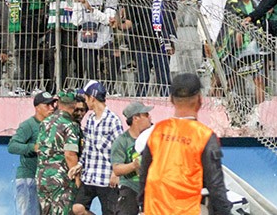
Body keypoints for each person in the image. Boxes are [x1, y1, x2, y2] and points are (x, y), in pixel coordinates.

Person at [138, 73, 231, 214]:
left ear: (171, 100)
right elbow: (215, 185)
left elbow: (144, 175)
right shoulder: (204, 136)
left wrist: (143, 206)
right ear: (200, 99)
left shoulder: (157, 131)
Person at [71, 81, 123, 215]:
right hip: (90, 176)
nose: (85, 101)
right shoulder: (90, 120)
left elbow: (121, 149)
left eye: (86, 98)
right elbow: (87, 147)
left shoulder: (113, 120)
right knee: (77, 208)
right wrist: (80, 165)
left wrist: (116, 173)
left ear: (92, 98)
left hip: (107, 179)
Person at [9, 91, 57, 215]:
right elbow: (12, 146)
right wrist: (32, 147)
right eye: (47, 105)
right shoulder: (28, 125)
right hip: (29, 178)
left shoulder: (53, 125)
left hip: (46, 179)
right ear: (37, 108)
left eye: (53, 105)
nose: (51, 108)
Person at [35, 89, 82, 215]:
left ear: (58, 103)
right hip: (61, 179)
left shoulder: (45, 122)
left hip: (42, 177)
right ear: (74, 105)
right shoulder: (70, 125)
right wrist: (78, 180)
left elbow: (39, 147)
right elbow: (70, 154)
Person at [110, 101, 153, 215]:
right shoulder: (122, 141)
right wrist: (134, 165)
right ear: (135, 118)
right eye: (146, 115)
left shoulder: (155, 135)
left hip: (152, 187)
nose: (150, 117)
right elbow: (117, 169)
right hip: (131, 186)